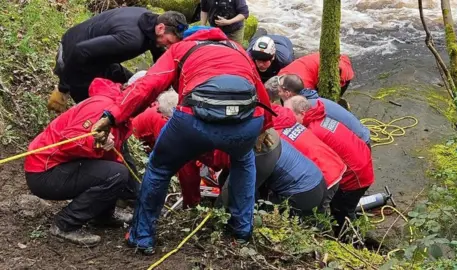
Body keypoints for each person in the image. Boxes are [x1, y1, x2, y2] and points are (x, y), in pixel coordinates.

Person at [91, 26, 275, 254]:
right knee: (244, 161)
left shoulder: (181, 48)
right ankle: (241, 232)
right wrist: (265, 127)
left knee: (159, 168)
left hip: (193, 120)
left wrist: (112, 115)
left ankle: (142, 237)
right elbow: (260, 91)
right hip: (245, 122)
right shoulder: (237, 49)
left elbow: (148, 85)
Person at [24, 78, 138, 247]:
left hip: (58, 166)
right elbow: (69, 140)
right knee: (116, 173)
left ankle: (103, 216)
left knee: (117, 170)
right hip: (45, 171)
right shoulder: (103, 107)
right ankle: (65, 224)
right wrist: (95, 141)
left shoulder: (117, 110)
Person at [47, 8, 188, 111]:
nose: (168, 47)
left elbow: (159, 54)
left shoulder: (149, 21)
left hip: (95, 56)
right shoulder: (132, 40)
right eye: (168, 42)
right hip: (72, 59)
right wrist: (63, 88)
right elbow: (79, 51)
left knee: (132, 84)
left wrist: (171, 82)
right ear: (161, 28)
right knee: (94, 111)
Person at [284, 96, 374, 234]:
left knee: (342, 213)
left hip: (356, 175)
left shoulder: (313, 131)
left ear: (301, 113)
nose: (287, 119)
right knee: (340, 206)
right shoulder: (319, 116)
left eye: (289, 114)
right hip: (361, 161)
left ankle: (351, 242)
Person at [219, 129, 328, 217]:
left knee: (262, 217)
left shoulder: (258, 153)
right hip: (316, 180)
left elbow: (235, 193)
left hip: (303, 191)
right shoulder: (268, 135)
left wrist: (216, 213)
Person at [272, 104, 347, 210]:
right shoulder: (286, 119)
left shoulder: (275, 137)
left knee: (320, 214)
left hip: (325, 176)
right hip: (334, 164)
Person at [265, 75, 371, 145]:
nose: (277, 94)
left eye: (278, 91)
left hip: (361, 142)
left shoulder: (305, 109)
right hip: (363, 135)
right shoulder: (313, 99)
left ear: (287, 93)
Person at [277, 52, 355, 98]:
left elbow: (312, 102)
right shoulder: (281, 76)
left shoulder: (304, 86)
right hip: (318, 65)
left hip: (339, 72)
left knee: (327, 100)